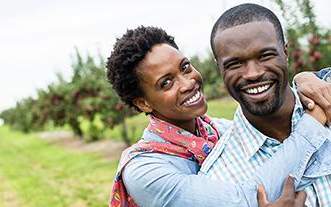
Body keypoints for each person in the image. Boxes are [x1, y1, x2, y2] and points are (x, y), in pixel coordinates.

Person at [106, 26, 331, 207]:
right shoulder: (144, 170)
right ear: (143, 103)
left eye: (185, 67)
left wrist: (305, 79)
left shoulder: (218, 132)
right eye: (166, 83)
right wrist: (314, 121)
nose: (188, 83)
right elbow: (245, 199)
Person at [199, 3, 331, 207]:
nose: (253, 73)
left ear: (285, 53)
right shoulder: (217, 179)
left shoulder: (327, 101)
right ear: (220, 70)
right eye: (235, 64)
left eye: (265, 55)